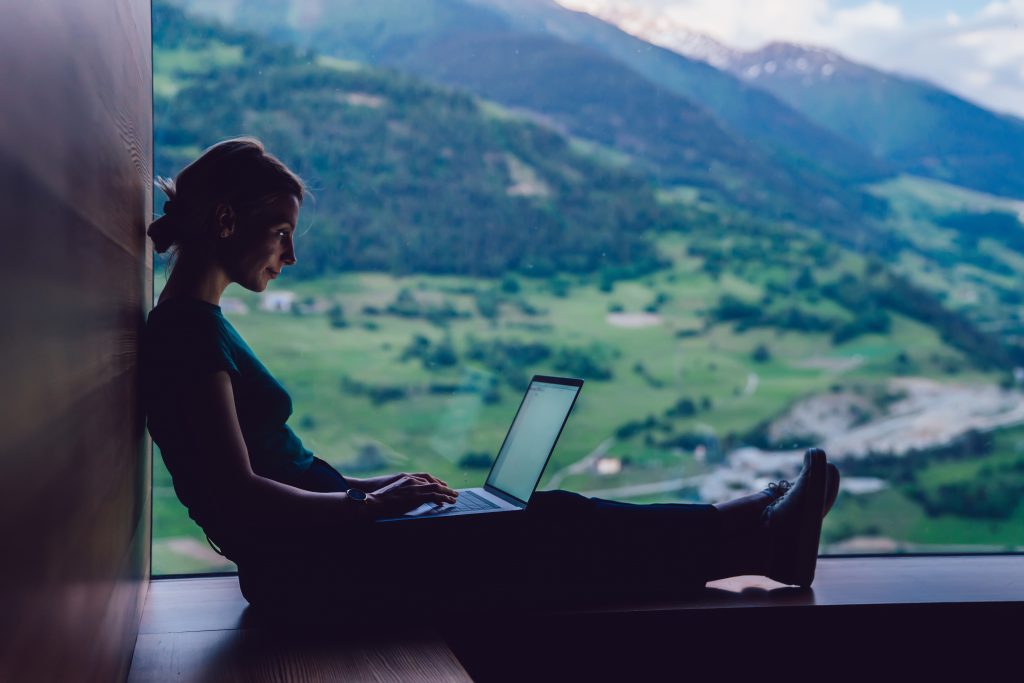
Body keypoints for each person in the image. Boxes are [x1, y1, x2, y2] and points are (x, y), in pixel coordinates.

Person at [141, 138, 841, 614]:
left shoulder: (198, 325)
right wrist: (366, 508)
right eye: (281, 232)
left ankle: (758, 517)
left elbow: (274, 470)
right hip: (317, 566)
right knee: (555, 527)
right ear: (228, 220)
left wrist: (371, 488)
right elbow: (236, 497)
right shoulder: (186, 333)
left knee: (545, 522)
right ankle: (759, 532)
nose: (289, 255)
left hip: (334, 540)